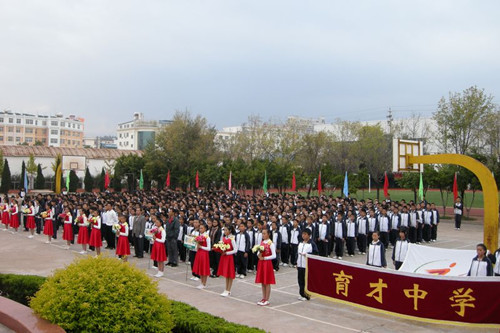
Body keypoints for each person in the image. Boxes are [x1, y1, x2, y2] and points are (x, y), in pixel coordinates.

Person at [255, 228, 276, 306]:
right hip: (261, 263)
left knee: (267, 282)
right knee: (262, 281)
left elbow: (274, 255)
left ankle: (267, 299)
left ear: (268, 234)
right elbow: (258, 252)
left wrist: (265, 258)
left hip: (267, 263)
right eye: (262, 233)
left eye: (264, 233)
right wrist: (259, 255)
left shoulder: (271, 243)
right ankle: (263, 298)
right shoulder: (262, 242)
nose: (263, 235)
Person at [297, 229, 318, 301]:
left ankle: (307, 295)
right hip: (300, 264)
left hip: (307, 265)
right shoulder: (300, 243)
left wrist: (307, 254)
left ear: (309, 235)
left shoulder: (311, 244)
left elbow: (316, 253)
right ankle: (301, 293)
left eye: (305, 234)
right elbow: (298, 254)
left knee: (306, 280)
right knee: (300, 280)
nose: (303, 235)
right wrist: (297, 263)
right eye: (303, 234)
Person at [217, 225, 237, 297]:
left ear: (230, 231)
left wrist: (227, 252)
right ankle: (226, 289)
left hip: (229, 257)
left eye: (226, 230)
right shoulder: (224, 238)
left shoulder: (232, 239)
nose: (225, 231)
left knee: (230, 274)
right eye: (224, 230)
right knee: (226, 274)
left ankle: (228, 290)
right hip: (224, 257)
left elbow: (235, 250)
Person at [192, 223, 211, 289]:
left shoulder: (207, 237)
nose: (200, 229)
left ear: (205, 229)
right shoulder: (200, 236)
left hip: (204, 254)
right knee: (200, 267)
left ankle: (204, 283)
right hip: (199, 253)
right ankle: (201, 282)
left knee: (204, 268)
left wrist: (201, 247)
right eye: (200, 228)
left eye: (202, 228)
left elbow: (209, 248)